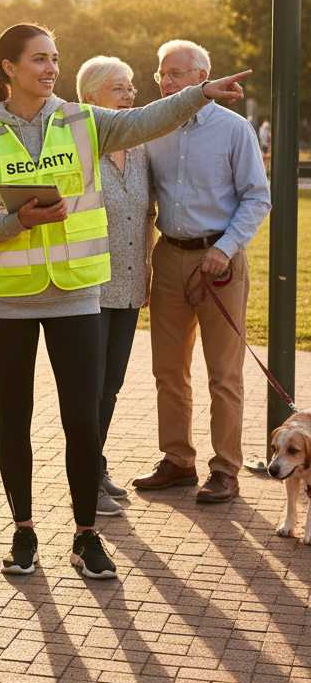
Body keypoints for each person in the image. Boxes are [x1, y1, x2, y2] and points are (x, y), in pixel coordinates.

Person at [0, 24, 252, 580]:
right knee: (12, 420)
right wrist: (13, 220)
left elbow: (145, 120)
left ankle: (86, 536)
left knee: (82, 419)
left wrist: (198, 94)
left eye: (55, 59)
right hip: (8, 299)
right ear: (9, 68)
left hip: (74, 295)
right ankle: (23, 535)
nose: (49, 68)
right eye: (38, 59)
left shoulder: (83, 121)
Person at [134, 39, 271, 504]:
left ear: (201, 77)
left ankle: (225, 469)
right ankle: (177, 461)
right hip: (169, 257)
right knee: (168, 370)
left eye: (174, 73)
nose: (165, 81)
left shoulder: (235, 130)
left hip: (221, 263)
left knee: (223, 373)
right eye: (161, 73)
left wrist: (227, 248)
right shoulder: (154, 127)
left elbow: (257, 197)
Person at [76, 56, 155, 516]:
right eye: (118, 89)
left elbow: (147, 215)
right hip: (89, 284)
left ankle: (96, 466)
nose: (129, 96)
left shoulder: (140, 147)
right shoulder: (79, 145)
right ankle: (86, 479)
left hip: (129, 285)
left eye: (131, 88)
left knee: (112, 385)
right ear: (90, 99)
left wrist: (144, 272)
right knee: (90, 385)